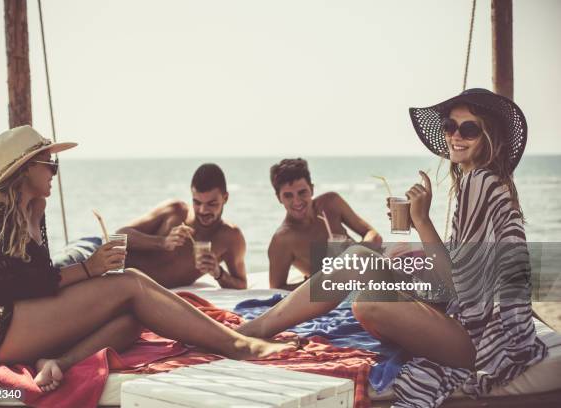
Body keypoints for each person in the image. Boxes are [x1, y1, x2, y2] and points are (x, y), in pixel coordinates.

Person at [239, 89, 547, 407]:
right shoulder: (481, 180)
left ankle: (256, 329)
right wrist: (415, 243)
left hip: (482, 341)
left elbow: (460, 287)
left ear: (489, 136)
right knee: (358, 257)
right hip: (469, 322)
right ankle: (258, 327)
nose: (456, 135)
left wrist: (422, 221)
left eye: (469, 129)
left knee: (368, 303)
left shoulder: (480, 183)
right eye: (449, 125)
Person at [0, 126, 294, 393]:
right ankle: (237, 344)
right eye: (49, 163)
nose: (55, 171)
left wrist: (87, 273)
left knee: (132, 320)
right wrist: (89, 269)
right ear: (26, 169)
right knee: (129, 282)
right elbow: (18, 284)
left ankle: (57, 362)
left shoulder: (32, 208)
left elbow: (37, 277)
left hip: (14, 325)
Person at [117, 164, 247, 289]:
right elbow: (117, 236)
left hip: (134, 288)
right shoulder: (175, 211)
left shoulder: (230, 237)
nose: (203, 210)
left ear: (225, 198)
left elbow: (241, 284)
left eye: (211, 204)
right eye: (197, 202)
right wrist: (162, 242)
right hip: (110, 268)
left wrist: (218, 273)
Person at [267, 158, 382, 290]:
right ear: (279, 198)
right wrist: (318, 282)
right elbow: (276, 289)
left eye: (302, 192)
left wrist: (357, 253)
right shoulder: (282, 240)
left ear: (312, 189)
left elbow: (373, 234)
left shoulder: (331, 203)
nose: (297, 201)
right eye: (288, 196)